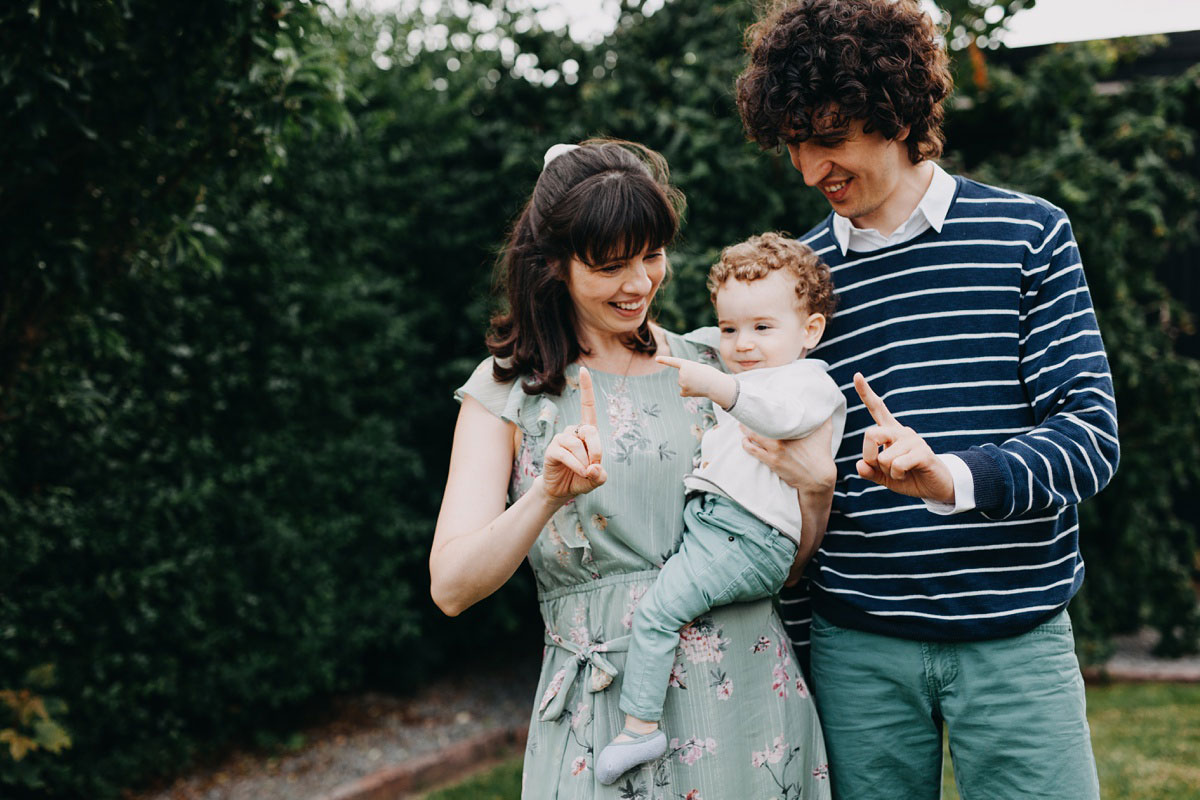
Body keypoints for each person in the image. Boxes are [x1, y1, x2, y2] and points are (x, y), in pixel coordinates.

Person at [733, 2, 1121, 799]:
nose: (810, 170)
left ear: (898, 113)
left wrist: (951, 478)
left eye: (830, 138)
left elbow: (1090, 435)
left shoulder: (1028, 234)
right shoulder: (794, 281)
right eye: (797, 144)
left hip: (1015, 639)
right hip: (856, 651)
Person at [431, 139, 832, 799]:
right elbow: (451, 587)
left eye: (652, 255)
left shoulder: (722, 364)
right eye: (612, 266)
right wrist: (545, 497)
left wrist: (817, 492)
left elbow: (784, 560)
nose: (641, 283)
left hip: (748, 702)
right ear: (555, 265)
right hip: (605, 716)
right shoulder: (506, 392)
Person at [594, 232, 846, 785]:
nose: (742, 343)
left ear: (811, 331)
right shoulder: (757, 370)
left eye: (762, 327)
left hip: (750, 537)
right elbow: (712, 339)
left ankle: (640, 729)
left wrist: (720, 386)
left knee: (658, 613)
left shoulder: (808, 383)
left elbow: (778, 416)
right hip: (723, 528)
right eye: (730, 328)